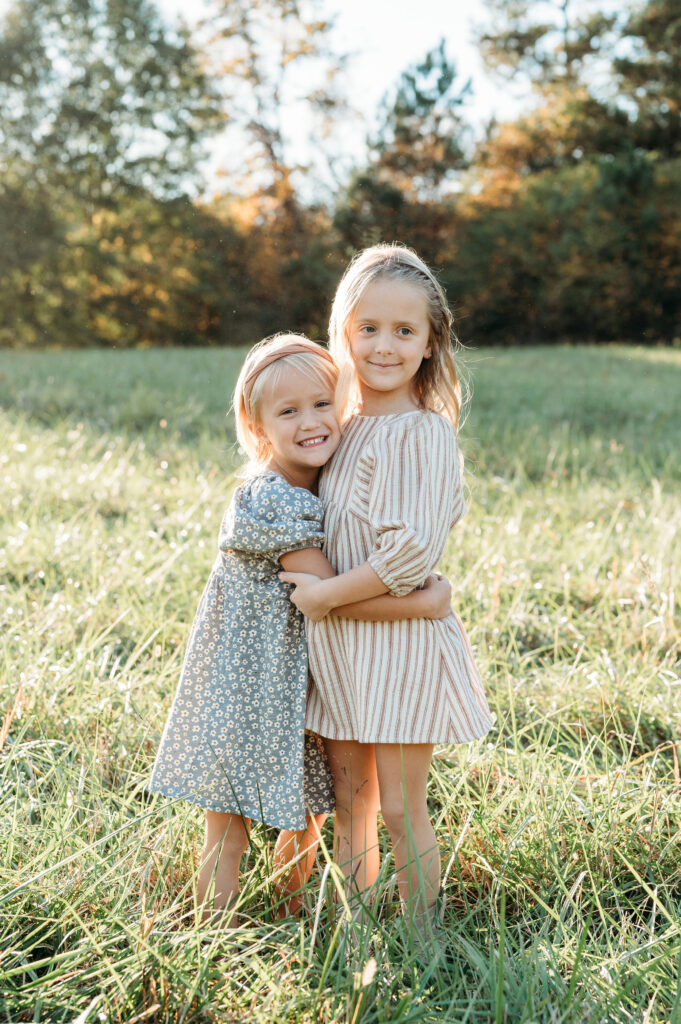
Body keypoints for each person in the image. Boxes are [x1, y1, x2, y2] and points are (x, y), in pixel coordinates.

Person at [149, 333, 453, 925]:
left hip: (293, 677)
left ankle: (296, 914)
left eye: (321, 404)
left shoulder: (318, 481)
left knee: (307, 812)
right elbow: (326, 599)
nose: (310, 422)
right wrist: (428, 603)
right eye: (288, 412)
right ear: (257, 425)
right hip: (248, 685)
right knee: (229, 828)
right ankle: (212, 942)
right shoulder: (272, 499)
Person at [279, 246, 493, 939]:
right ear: (341, 330)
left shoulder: (424, 434)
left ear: (430, 344)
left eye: (404, 331)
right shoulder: (333, 432)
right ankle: (356, 927)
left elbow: (410, 557)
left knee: (401, 807)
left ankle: (422, 937)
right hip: (340, 653)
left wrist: (322, 597)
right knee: (352, 802)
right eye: (367, 327)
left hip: (399, 653)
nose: (383, 345)